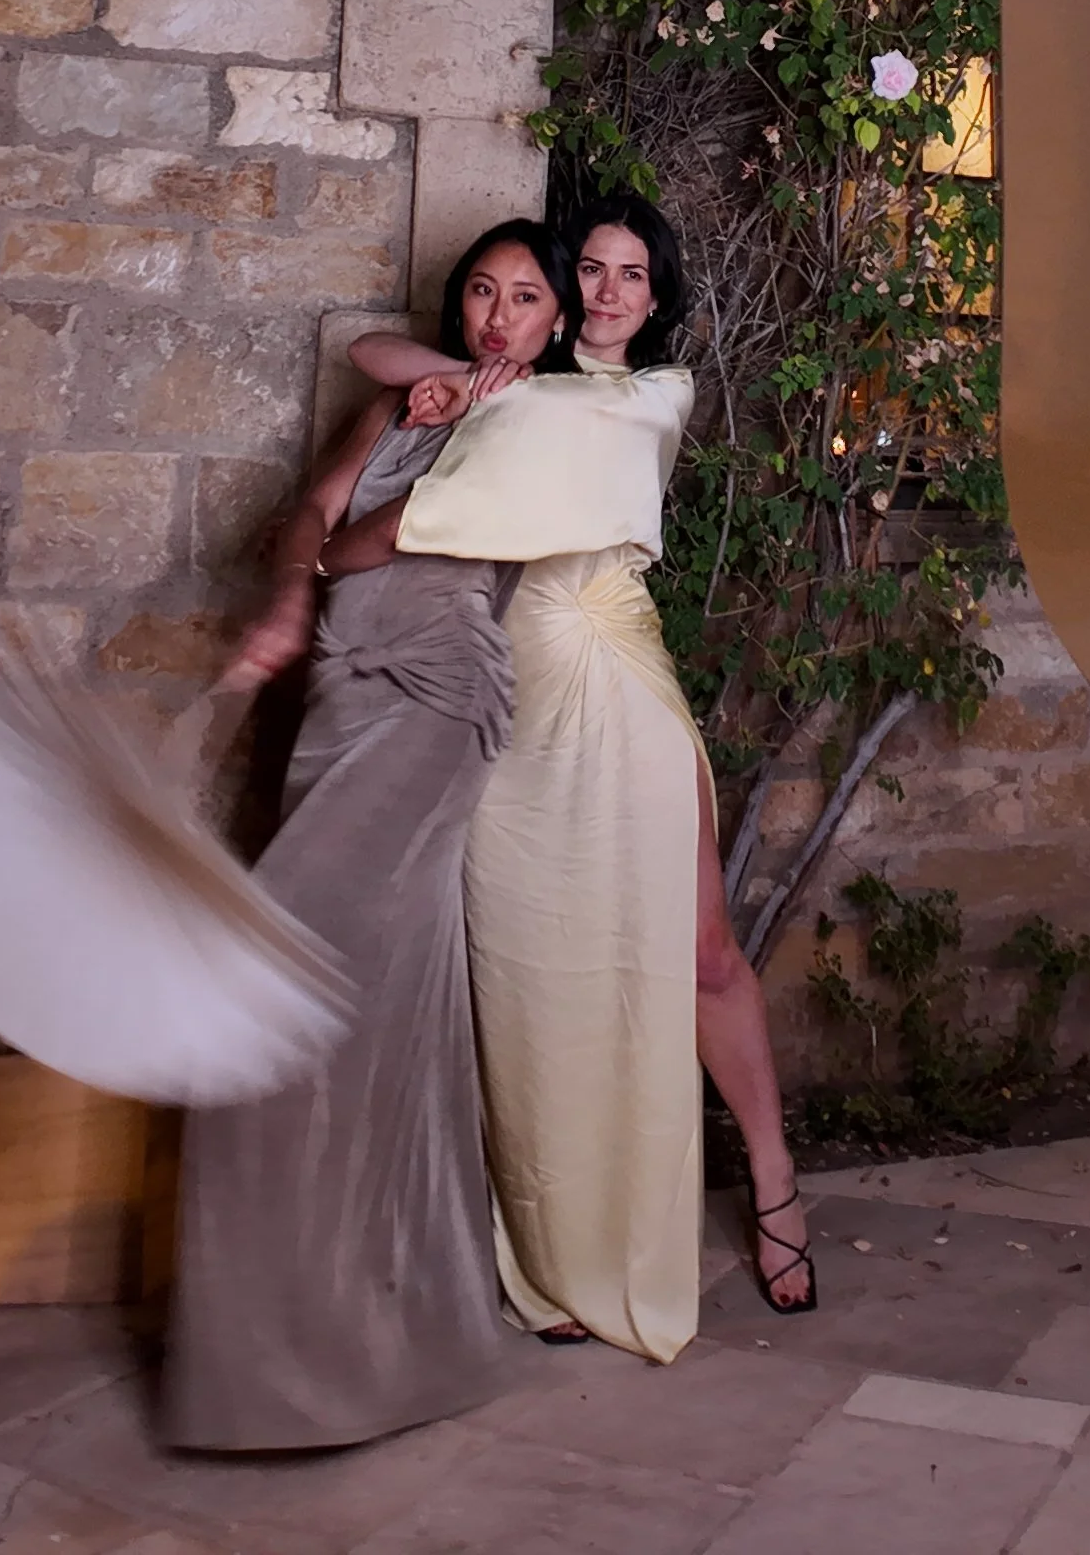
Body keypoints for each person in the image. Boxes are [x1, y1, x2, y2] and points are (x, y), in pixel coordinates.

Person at [346, 191, 815, 1362]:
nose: (608, 292)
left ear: (655, 301)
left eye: (631, 276)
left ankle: (774, 1182)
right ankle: (555, 1250)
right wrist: (467, 378)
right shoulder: (513, 388)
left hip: (618, 674)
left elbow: (534, 445)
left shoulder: (657, 395)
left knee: (701, 954)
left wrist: (477, 397)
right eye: (590, 271)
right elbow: (367, 351)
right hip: (517, 697)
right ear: (567, 296)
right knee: (533, 972)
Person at [161, 220, 577, 1451]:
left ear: (558, 324)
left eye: (527, 299)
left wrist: (331, 558)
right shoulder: (412, 394)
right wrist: (292, 595)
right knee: (389, 1009)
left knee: (288, 986)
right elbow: (312, 503)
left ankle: (311, 1353)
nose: (499, 315)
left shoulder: (551, 422)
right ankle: (374, 1329)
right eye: (483, 292)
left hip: (437, 701)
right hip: (336, 699)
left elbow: (377, 537)